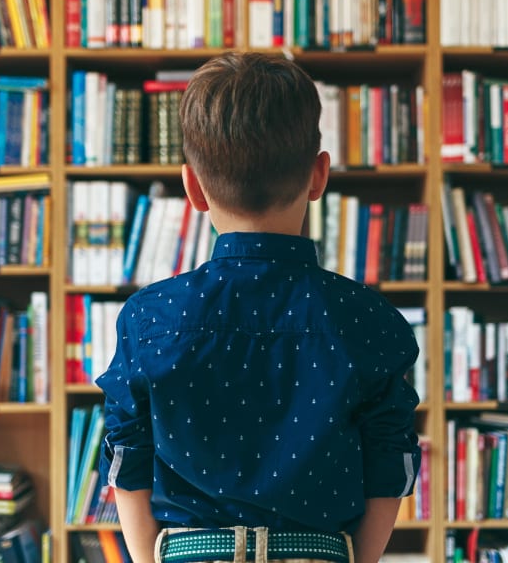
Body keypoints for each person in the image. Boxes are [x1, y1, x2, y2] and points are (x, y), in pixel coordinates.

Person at [96, 51, 422, 563]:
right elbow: (392, 465)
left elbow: (126, 462)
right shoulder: (370, 321)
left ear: (193, 188)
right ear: (318, 177)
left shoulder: (149, 319)